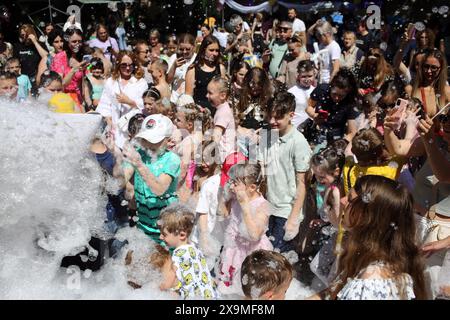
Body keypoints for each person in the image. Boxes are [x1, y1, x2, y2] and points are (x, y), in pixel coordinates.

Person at [308, 175, 427, 300]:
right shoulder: (382, 259)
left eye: (350, 199)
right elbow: (333, 291)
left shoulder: (370, 282)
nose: (342, 200)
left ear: (368, 216)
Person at [258, 91, 312, 253]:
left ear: (291, 115)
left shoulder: (298, 142)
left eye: (278, 118)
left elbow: (302, 184)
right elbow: (262, 174)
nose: (272, 121)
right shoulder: (267, 136)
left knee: (278, 260)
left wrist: (293, 219)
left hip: (286, 212)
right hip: (269, 207)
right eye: (270, 117)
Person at [118, 114, 181, 245]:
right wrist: (112, 151)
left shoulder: (172, 160)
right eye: (146, 139)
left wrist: (139, 164)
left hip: (167, 231)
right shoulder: (140, 153)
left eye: (155, 140)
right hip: (142, 226)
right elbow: (119, 182)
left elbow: (159, 189)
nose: (149, 144)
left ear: (168, 140)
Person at [218, 163, 273, 296]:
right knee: (229, 291)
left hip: (252, 255)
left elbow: (254, 235)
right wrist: (225, 196)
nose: (231, 186)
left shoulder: (263, 205)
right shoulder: (235, 198)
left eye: (235, 184)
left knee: (249, 291)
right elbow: (222, 214)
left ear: (252, 187)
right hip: (233, 250)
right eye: (231, 182)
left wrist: (244, 205)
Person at [157, 203, 220, 300]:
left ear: (182, 235)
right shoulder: (195, 249)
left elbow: (169, 283)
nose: (160, 237)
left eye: (164, 234)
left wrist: (155, 287)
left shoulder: (178, 255)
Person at [308, 147, 345, 287]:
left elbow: (340, 220)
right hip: (335, 234)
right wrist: (322, 221)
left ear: (335, 172)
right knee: (317, 266)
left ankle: (331, 293)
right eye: (316, 176)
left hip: (342, 238)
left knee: (331, 274)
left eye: (322, 177)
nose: (318, 180)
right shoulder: (330, 188)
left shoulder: (336, 192)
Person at [96, 50, 148, 149]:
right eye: (124, 65)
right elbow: (104, 104)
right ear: (118, 64)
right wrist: (109, 122)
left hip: (132, 130)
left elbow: (145, 107)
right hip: (113, 129)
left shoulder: (141, 83)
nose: (127, 68)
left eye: (130, 65)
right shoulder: (111, 82)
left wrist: (129, 102)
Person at [305, 69, 358, 151]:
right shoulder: (322, 89)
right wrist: (314, 115)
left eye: (341, 96)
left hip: (335, 138)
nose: (336, 98)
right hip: (315, 133)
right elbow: (308, 107)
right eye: (334, 94)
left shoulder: (349, 103)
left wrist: (341, 143)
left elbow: (352, 132)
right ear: (331, 86)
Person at [185, 35, 226, 116]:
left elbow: (223, 93)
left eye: (217, 50)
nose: (215, 53)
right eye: (211, 50)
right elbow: (188, 98)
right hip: (199, 112)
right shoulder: (193, 70)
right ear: (203, 50)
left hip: (217, 112)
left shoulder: (221, 68)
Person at [50, 27, 88, 111]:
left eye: (80, 41)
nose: (77, 44)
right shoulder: (59, 57)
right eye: (74, 41)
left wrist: (86, 103)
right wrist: (74, 70)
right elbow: (60, 84)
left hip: (78, 100)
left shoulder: (81, 57)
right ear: (67, 42)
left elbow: (83, 83)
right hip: (63, 99)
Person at [406, 48, 450, 118]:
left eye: (434, 68)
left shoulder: (447, 91)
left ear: (441, 69)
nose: (429, 71)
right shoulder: (411, 89)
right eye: (426, 66)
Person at [207, 76, 236, 163]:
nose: (207, 95)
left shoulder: (222, 112)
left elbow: (216, 136)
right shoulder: (223, 109)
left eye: (210, 93)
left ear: (223, 95)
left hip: (223, 157)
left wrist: (208, 152)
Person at [167, 34, 197, 104]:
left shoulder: (197, 59)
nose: (184, 52)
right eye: (181, 49)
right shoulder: (174, 58)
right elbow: (168, 81)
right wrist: (174, 66)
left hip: (190, 100)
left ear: (193, 47)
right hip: (174, 100)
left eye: (187, 49)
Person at [288, 60, 316, 128]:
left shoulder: (316, 91)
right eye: (303, 76)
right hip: (295, 128)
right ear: (298, 76)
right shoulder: (291, 92)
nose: (307, 79)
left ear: (314, 75)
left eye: (310, 76)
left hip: (310, 129)